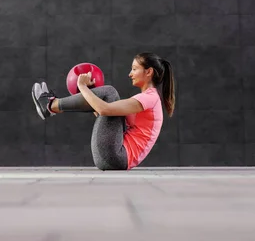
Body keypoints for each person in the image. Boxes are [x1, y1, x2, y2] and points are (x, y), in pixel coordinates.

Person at [31, 52, 175, 171]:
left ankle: (50, 105)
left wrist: (82, 86)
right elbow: (103, 114)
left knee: (110, 92)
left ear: (148, 72)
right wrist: (92, 93)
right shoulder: (149, 98)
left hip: (115, 157)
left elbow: (104, 109)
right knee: (108, 97)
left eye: (134, 69)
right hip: (113, 157)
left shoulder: (149, 99)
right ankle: (51, 106)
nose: (130, 74)